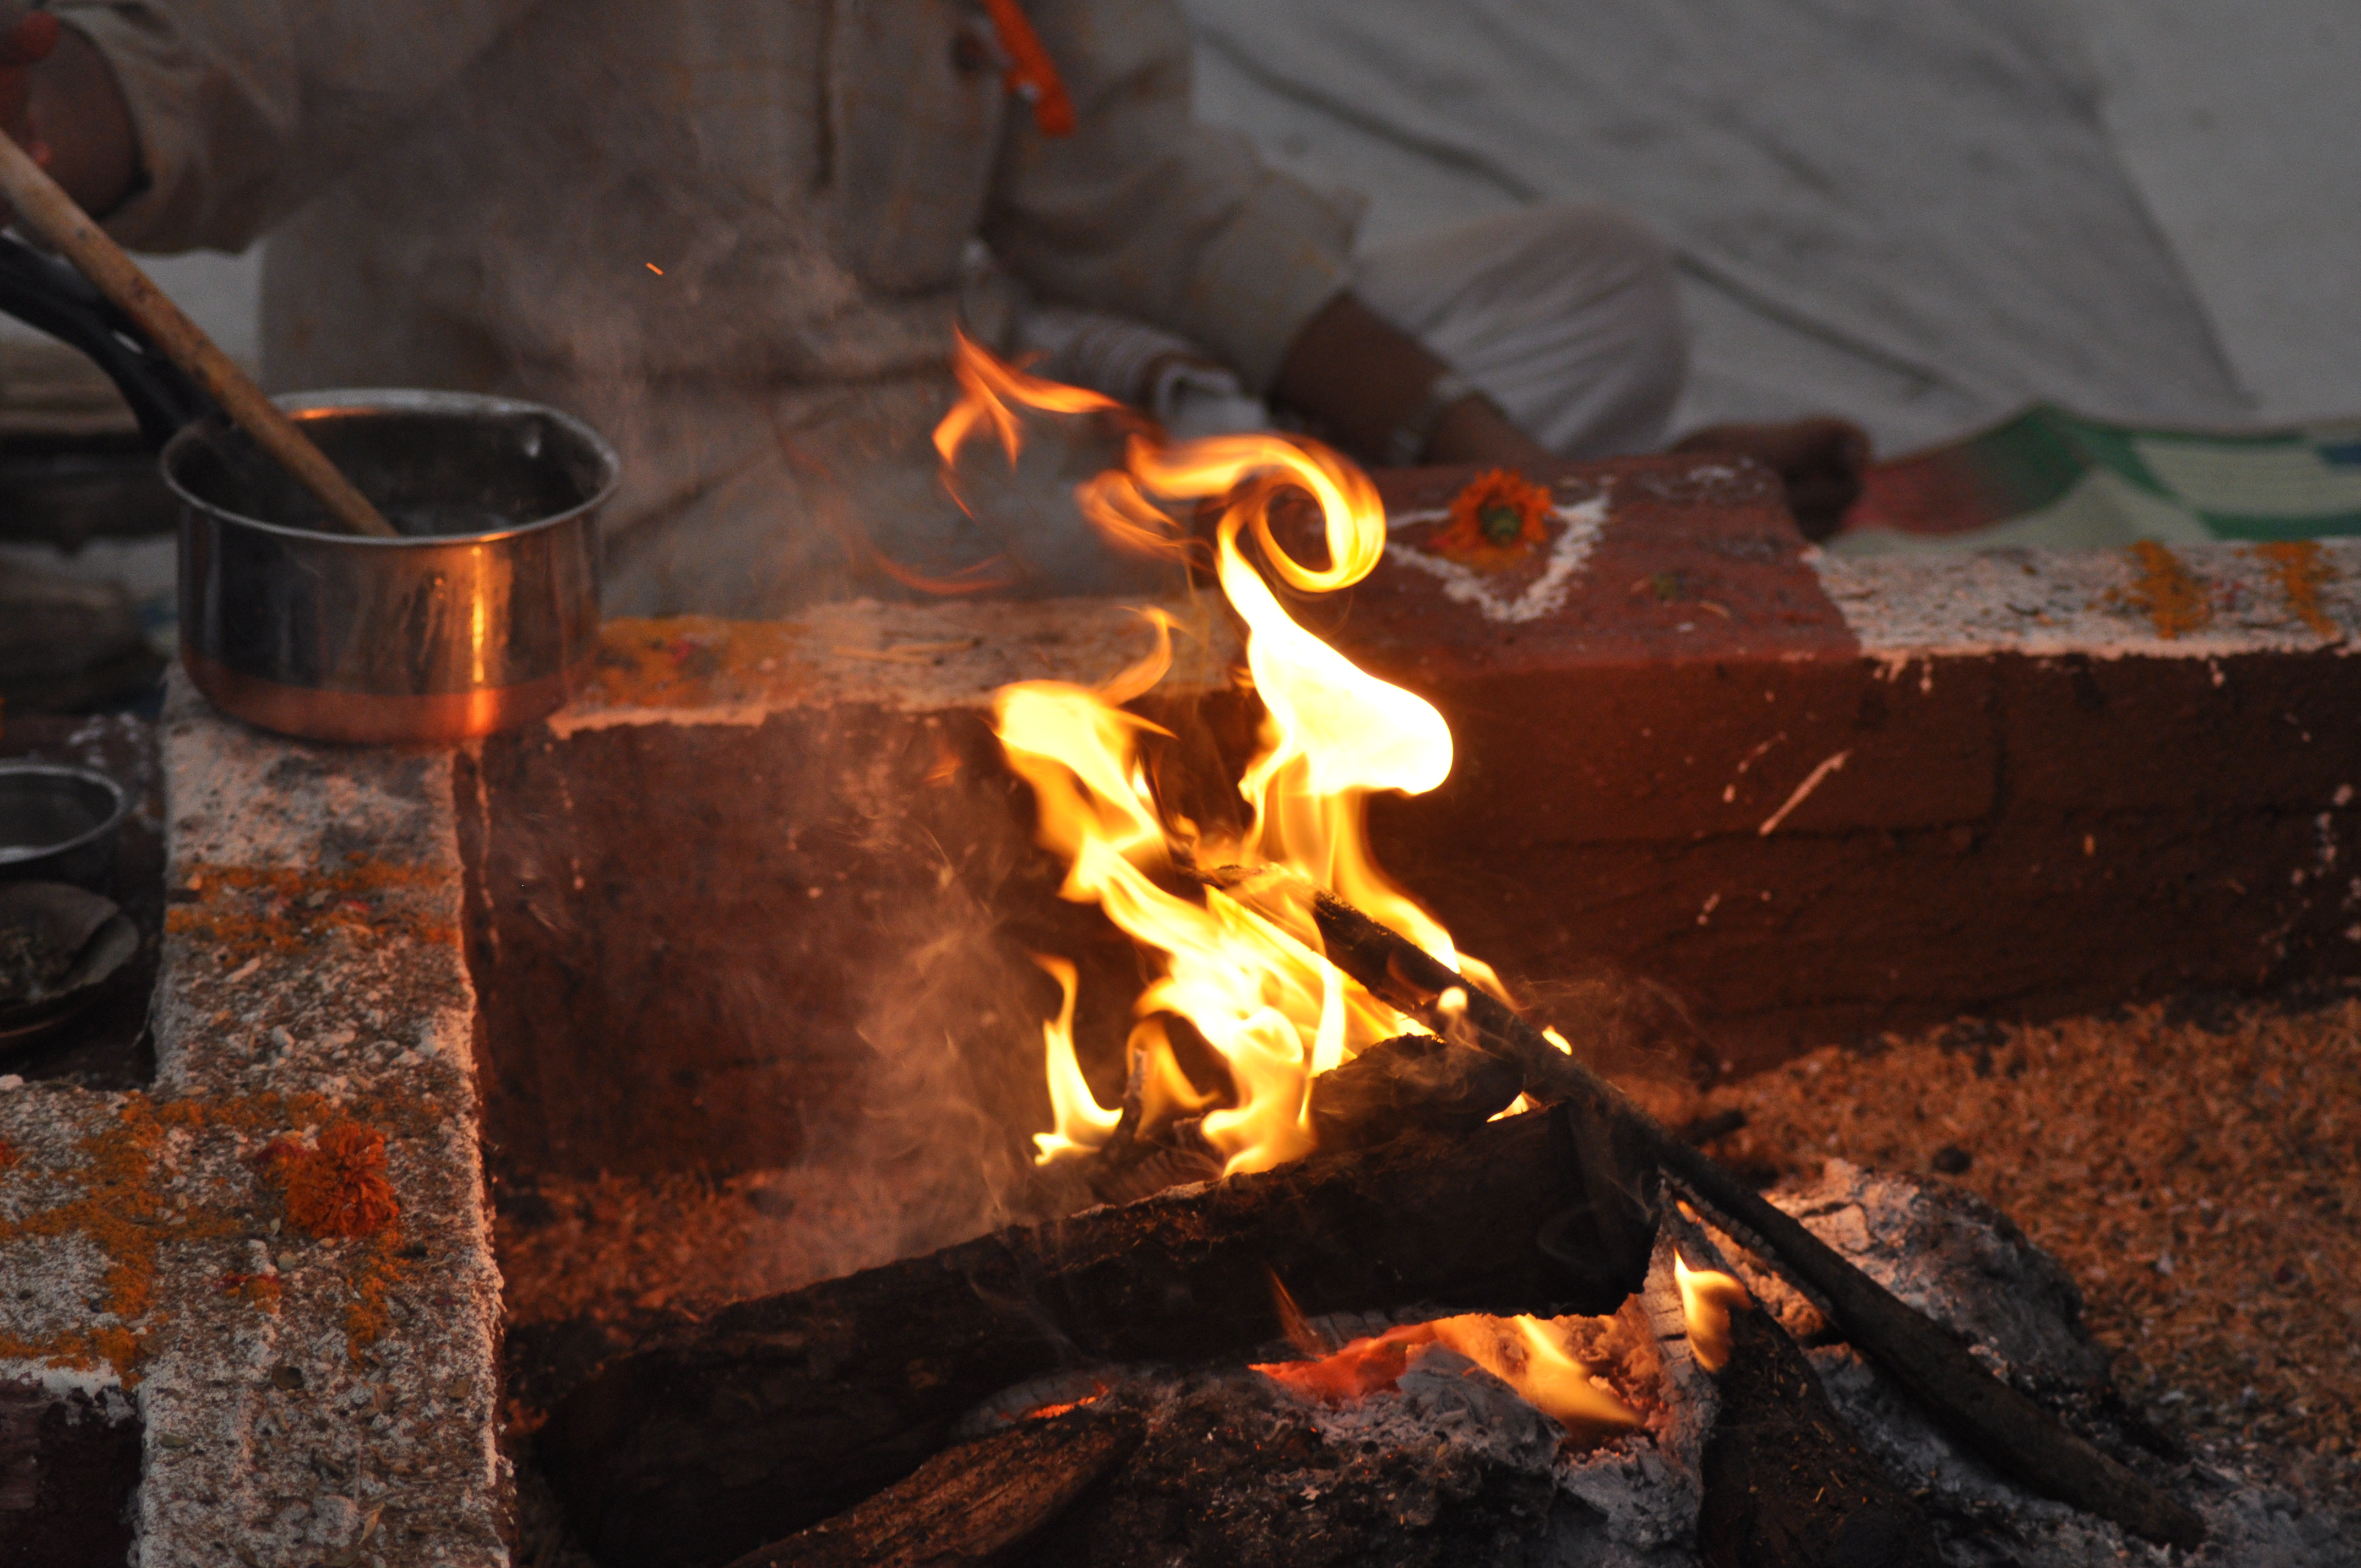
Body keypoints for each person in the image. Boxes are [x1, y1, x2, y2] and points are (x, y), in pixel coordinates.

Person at [1, 2, 1865, 614]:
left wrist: (1499, 452)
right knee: (1154, 565)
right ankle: (1424, 542)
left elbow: (1132, 188)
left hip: (954, 397)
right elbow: (236, 61)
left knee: (1594, 286)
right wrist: (59, 106)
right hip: (625, 516)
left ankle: (1507, 515)